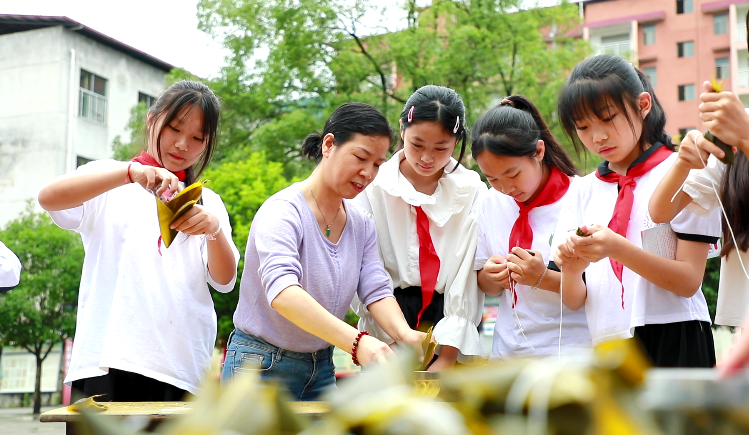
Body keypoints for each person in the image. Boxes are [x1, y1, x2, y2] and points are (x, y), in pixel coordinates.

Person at [38, 80, 239, 401]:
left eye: (198, 138)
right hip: (105, 359)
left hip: (179, 367)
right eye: (174, 128)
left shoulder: (208, 201)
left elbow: (225, 280)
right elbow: (48, 198)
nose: (183, 144)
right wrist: (130, 173)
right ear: (151, 119)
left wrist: (213, 229)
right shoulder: (107, 176)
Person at [222, 102, 426, 401]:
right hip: (259, 367)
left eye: (378, 164)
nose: (367, 172)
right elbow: (283, 293)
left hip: (320, 367)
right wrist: (357, 342)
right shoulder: (283, 211)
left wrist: (405, 335)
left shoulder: (361, 223)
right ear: (329, 144)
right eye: (361, 157)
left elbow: (375, 288)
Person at [551, 54, 721, 368]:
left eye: (608, 118)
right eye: (583, 127)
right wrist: (572, 270)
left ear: (643, 105)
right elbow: (574, 299)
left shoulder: (685, 168)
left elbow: (688, 281)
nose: (597, 136)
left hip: (675, 334)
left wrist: (617, 248)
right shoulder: (582, 190)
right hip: (610, 345)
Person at [352, 85, 487, 371]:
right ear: (402, 129)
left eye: (441, 148)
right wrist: (386, 340)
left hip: (448, 322)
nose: (427, 158)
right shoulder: (373, 185)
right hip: (386, 318)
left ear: (456, 142)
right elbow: (364, 266)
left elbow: (466, 271)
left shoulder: (471, 189)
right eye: (417, 145)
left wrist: (448, 355)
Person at [471, 95, 591, 359]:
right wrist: (492, 276)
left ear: (538, 151)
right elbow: (486, 287)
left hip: (571, 354)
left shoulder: (582, 197)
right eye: (492, 178)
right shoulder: (492, 201)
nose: (506, 188)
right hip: (507, 354)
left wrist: (542, 278)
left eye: (513, 174)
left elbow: (597, 291)